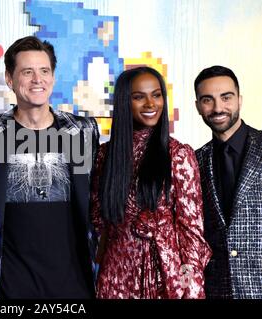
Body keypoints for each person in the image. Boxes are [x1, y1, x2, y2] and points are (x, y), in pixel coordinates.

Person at [0, 36, 100, 299]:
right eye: (27, 72)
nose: (37, 79)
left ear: (52, 77)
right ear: (10, 79)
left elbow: (96, 201)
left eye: (44, 71)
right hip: (8, 284)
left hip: (73, 284)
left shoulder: (82, 130)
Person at [91, 66, 211, 299]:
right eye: (139, 97)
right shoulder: (105, 156)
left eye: (156, 95)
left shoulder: (178, 155)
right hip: (115, 276)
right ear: (125, 101)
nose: (150, 104)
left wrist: (190, 287)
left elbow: (192, 232)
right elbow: (99, 220)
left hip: (164, 276)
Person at [194, 65, 262, 299]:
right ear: (197, 107)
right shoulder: (194, 161)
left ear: (239, 100)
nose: (217, 108)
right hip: (217, 290)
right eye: (207, 100)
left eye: (226, 97)